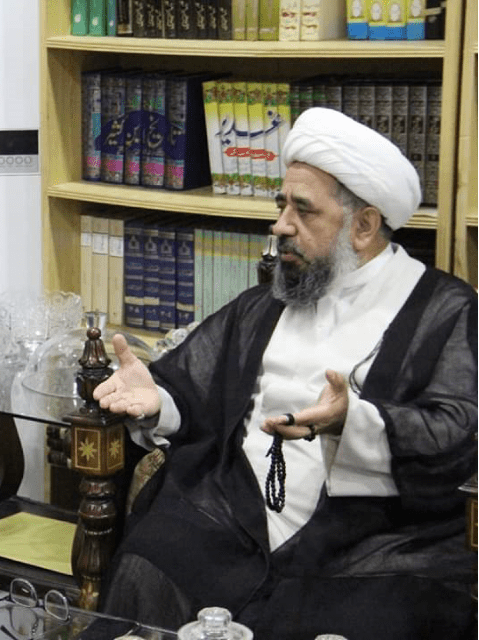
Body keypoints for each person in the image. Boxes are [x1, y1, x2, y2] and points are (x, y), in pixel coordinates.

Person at [92, 108, 477, 639]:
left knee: (375, 618)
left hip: (371, 544)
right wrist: (160, 400)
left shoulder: (444, 309)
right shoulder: (268, 301)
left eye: (303, 210)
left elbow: (459, 430)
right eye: (281, 205)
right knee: (147, 564)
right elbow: (195, 386)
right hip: (234, 518)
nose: (280, 226)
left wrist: (352, 420)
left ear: (364, 226)